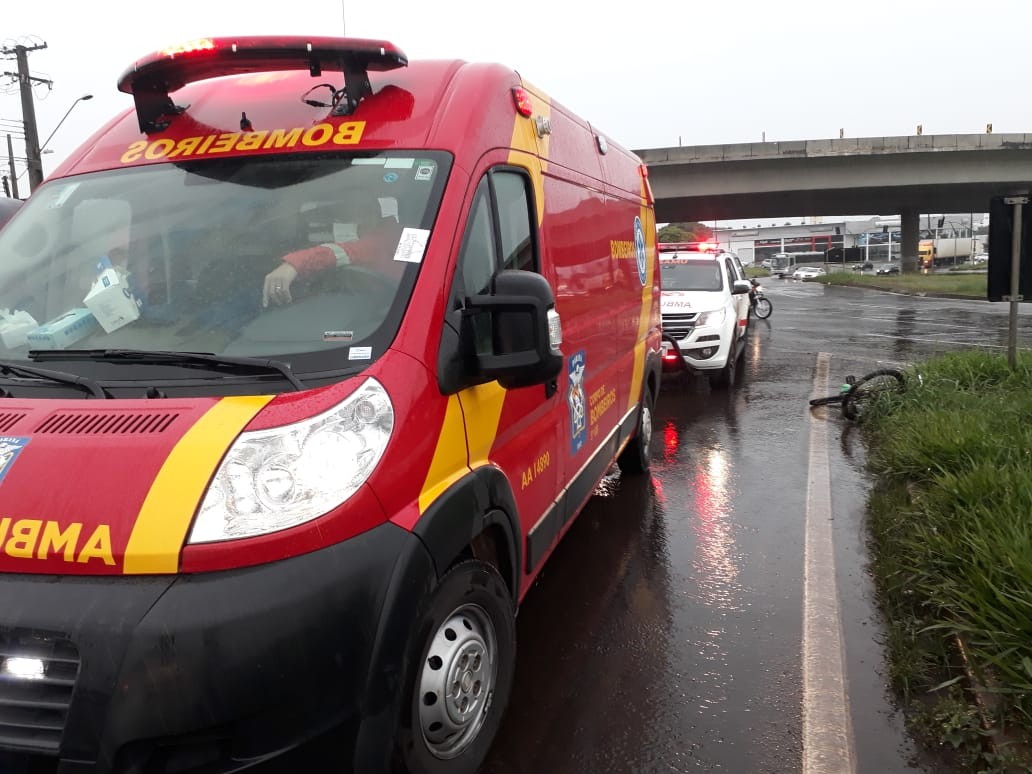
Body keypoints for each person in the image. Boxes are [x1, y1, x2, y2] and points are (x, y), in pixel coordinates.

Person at [263, 201, 404, 307]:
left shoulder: (386, 238)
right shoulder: (381, 235)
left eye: (353, 217)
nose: (352, 223)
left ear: (372, 216)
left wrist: (293, 265)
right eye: (342, 219)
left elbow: (345, 252)